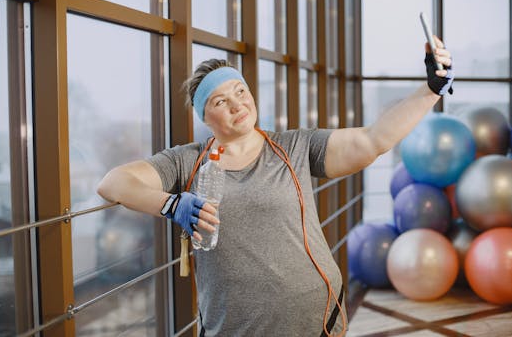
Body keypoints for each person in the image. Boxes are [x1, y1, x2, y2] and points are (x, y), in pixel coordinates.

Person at [97, 36, 453, 336]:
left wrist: (430, 89)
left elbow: (373, 140)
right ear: (206, 116)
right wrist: (171, 205)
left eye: (241, 91)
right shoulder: (186, 162)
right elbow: (113, 183)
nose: (238, 104)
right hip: (231, 328)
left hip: (316, 322)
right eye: (221, 101)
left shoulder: (295, 147)